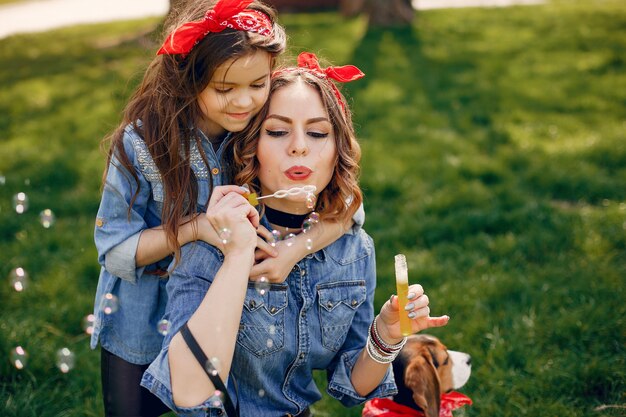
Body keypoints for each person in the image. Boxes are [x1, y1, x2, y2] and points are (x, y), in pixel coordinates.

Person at [140, 52, 450, 417]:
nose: (299, 145)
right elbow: (190, 391)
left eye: (318, 133)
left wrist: (386, 333)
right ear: (249, 146)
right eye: (277, 131)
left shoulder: (354, 249)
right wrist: (239, 255)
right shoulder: (214, 240)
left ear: (339, 150)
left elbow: (354, 385)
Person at [89, 1, 339, 415]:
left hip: (232, 316)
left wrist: (293, 252)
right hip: (141, 318)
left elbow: (345, 210)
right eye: (224, 89)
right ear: (189, 80)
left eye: (258, 84)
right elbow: (114, 251)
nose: (244, 102)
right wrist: (196, 228)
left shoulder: (268, 127)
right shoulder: (141, 144)